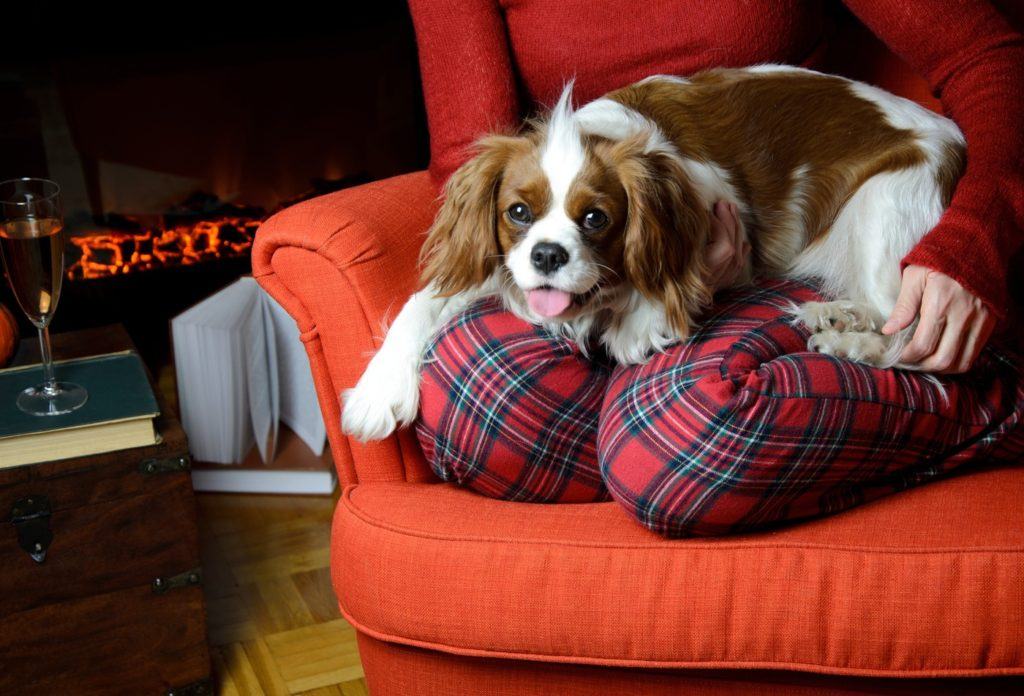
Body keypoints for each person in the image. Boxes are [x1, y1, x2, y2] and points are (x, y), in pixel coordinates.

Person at [411, 0, 1024, 536]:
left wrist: (972, 243)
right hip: (607, 260)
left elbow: (989, 57)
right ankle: (657, 442)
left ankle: (994, 401)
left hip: (812, 228)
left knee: (683, 436)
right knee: (471, 402)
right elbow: (465, 167)